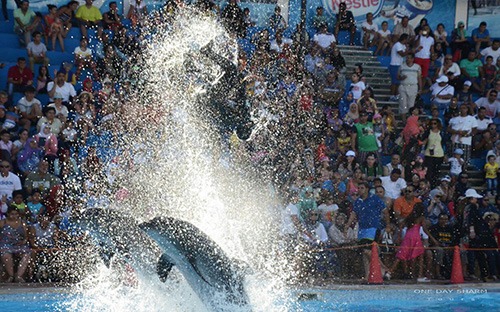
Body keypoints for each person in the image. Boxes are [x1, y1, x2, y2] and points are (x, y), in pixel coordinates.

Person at [346, 182, 388, 280]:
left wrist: (388, 225)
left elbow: (385, 211)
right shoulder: (358, 201)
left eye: (362, 188)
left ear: (367, 189)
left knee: (367, 250)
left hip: (373, 228)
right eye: (359, 188)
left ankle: (383, 268)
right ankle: (367, 275)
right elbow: (354, 213)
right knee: (364, 252)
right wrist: (348, 224)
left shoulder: (374, 199)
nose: (359, 190)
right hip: (362, 229)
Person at [388, 203, 438, 282]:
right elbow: (424, 229)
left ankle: (389, 272)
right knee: (420, 256)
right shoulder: (421, 218)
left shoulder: (409, 217)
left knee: (401, 254)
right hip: (415, 236)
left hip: (408, 236)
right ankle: (419, 276)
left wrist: (399, 236)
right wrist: (433, 239)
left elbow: (401, 225)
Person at [463, 189, 497, 282]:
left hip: (473, 234)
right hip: (474, 235)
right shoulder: (472, 207)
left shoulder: (467, 207)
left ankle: (481, 274)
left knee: (477, 254)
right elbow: (471, 220)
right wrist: (472, 230)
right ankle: (483, 275)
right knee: (478, 254)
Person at [0, 206, 31, 282]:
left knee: (27, 253)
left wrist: (24, 241)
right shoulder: (3, 222)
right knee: (6, 254)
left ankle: (19, 276)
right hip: (6, 244)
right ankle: (11, 275)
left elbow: (26, 236)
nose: (14, 216)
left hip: (19, 244)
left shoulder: (22, 223)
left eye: (16, 214)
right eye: (12, 214)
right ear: (8, 214)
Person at [429, 213, 455, 279]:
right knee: (440, 251)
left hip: (449, 246)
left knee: (462, 252)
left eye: (446, 219)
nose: (444, 221)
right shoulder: (434, 228)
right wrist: (443, 246)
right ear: (438, 219)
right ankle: (438, 273)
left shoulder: (451, 228)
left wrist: (450, 246)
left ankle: (463, 274)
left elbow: (454, 240)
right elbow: (434, 242)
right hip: (438, 246)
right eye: (442, 219)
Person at [398, 53, 422, 122]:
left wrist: (420, 89)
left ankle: (410, 120)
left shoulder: (417, 67)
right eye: (407, 58)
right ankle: (404, 120)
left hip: (413, 86)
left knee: (411, 104)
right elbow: (397, 77)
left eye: (409, 58)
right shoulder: (402, 66)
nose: (407, 59)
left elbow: (419, 78)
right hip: (403, 86)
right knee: (403, 103)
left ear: (412, 59)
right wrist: (401, 77)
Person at [389, 34, 410, 101]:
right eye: (407, 39)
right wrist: (408, 50)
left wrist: (407, 48)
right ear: (404, 39)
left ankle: (396, 95)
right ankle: (392, 95)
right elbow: (402, 54)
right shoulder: (397, 45)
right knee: (394, 81)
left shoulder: (403, 45)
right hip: (394, 65)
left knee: (398, 81)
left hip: (400, 65)